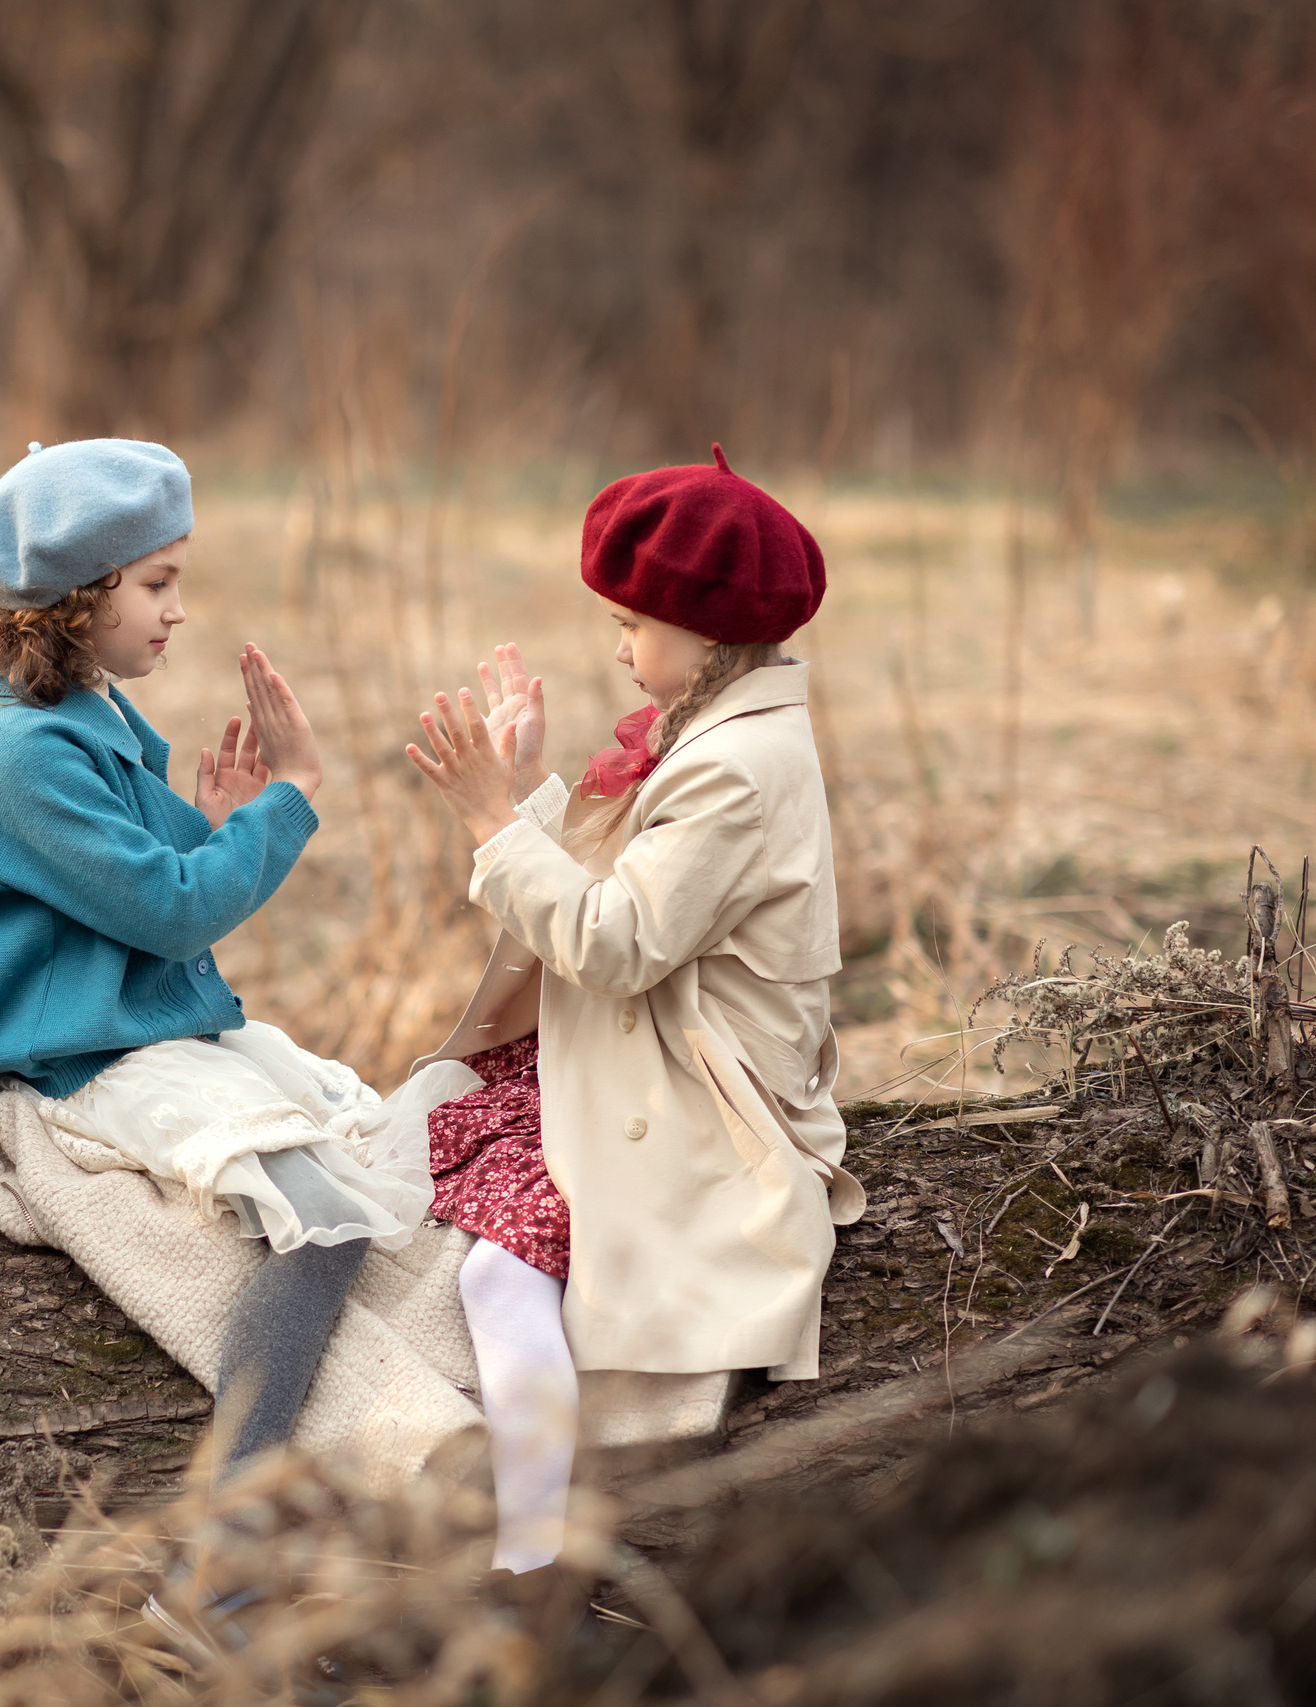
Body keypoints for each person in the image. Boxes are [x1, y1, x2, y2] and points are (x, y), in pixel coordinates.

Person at [0, 437, 477, 1473]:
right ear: (74, 594)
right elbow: (173, 913)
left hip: (156, 1030)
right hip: (87, 1057)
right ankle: (231, 1518)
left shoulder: (84, 711)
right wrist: (288, 800)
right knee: (320, 1223)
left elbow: (130, 883)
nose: (176, 609)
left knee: (358, 1166)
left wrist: (210, 825)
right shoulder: (21, 753)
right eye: (156, 582)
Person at [405, 445, 867, 1576]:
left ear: (705, 632)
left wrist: (488, 824)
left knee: (497, 1271)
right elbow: (621, 885)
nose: (617, 649)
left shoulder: (735, 768)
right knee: (433, 1179)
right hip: (642, 1056)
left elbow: (614, 943)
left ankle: (528, 1560)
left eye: (632, 624)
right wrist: (521, 798)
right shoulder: (716, 734)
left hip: (692, 1097)